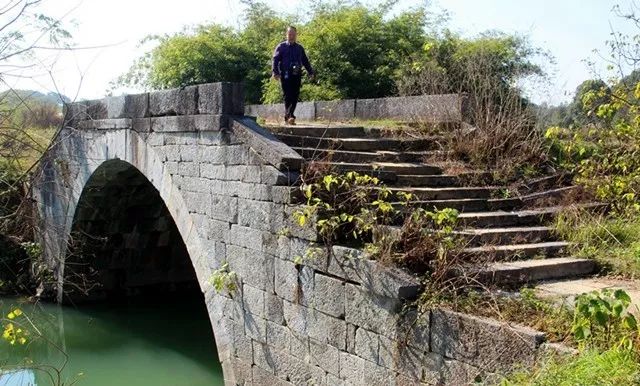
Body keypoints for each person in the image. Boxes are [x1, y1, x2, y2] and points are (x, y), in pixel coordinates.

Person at [272, 26, 315, 125]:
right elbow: (275, 60)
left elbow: (305, 61)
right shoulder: (281, 46)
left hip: (297, 74)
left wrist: (310, 72)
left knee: (295, 95)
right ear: (286, 34)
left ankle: (289, 115)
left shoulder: (299, 48)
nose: (291, 36)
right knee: (287, 95)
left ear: (296, 35)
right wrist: (275, 72)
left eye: (293, 34)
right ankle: (289, 116)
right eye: (289, 34)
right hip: (286, 74)